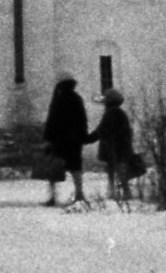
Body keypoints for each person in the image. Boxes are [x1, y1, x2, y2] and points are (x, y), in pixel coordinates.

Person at [41, 75, 90, 208]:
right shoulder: (77, 99)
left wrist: (47, 138)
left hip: (59, 140)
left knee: (53, 169)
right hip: (74, 140)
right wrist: (83, 136)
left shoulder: (58, 99)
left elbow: (52, 120)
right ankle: (79, 194)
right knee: (75, 168)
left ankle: (52, 196)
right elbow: (83, 119)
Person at [89, 88, 137, 203]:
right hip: (121, 146)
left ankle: (117, 191)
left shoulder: (111, 112)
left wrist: (87, 139)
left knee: (114, 168)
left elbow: (101, 130)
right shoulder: (119, 112)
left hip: (114, 147)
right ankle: (122, 191)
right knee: (118, 168)